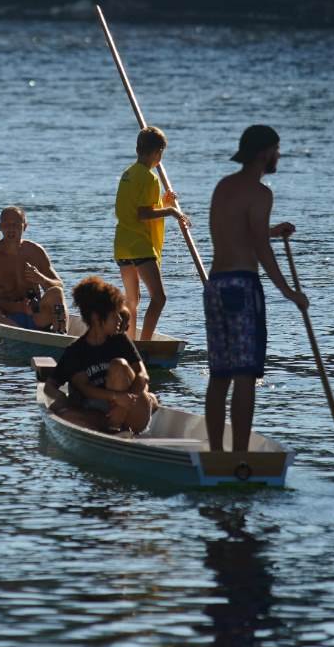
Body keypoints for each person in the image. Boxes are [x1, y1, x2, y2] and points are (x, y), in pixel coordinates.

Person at [204, 124, 307, 459]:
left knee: (220, 375)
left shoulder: (224, 187)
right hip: (242, 287)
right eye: (276, 150)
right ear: (263, 152)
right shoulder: (261, 193)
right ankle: (239, 458)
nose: (279, 155)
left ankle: (218, 454)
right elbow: (260, 249)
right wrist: (290, 292)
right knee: (245, 374)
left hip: (216, 286)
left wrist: (272, 231)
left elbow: (239, 234)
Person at [44, 276, 157, 434]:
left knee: (119, 366)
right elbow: (85, 388)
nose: (119, 319)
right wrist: (117, 398)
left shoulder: (119, 340)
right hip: (101, 413)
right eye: (114, 315)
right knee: (66, 416)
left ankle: (117, 426)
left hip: (133, 410)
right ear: (97, 318)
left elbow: (143, 375)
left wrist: (123, 404)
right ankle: (112, 430)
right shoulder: (75, 351)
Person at [114, 126, 189, 341]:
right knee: (159, 298)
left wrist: (164, 202)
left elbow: (135, 207)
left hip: (122, 244)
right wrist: (172, 211)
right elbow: (144, 213)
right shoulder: (149, 178)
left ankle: (129, 342)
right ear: (158, 152)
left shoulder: (128, 174)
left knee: (132, 301)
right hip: (139, 245)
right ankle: (145, 343)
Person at [0, 205, 66, 332]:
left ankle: (61, 334)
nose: (11, 229)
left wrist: (41, 279)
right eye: (7, 224)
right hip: (7, 318)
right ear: (0, 227)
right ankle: (18, 334)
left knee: (56, 292)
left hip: (37, 317)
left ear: (25, 226)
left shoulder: (35, 251)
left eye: (16, 224)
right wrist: (18, 308)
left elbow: (59, 285)